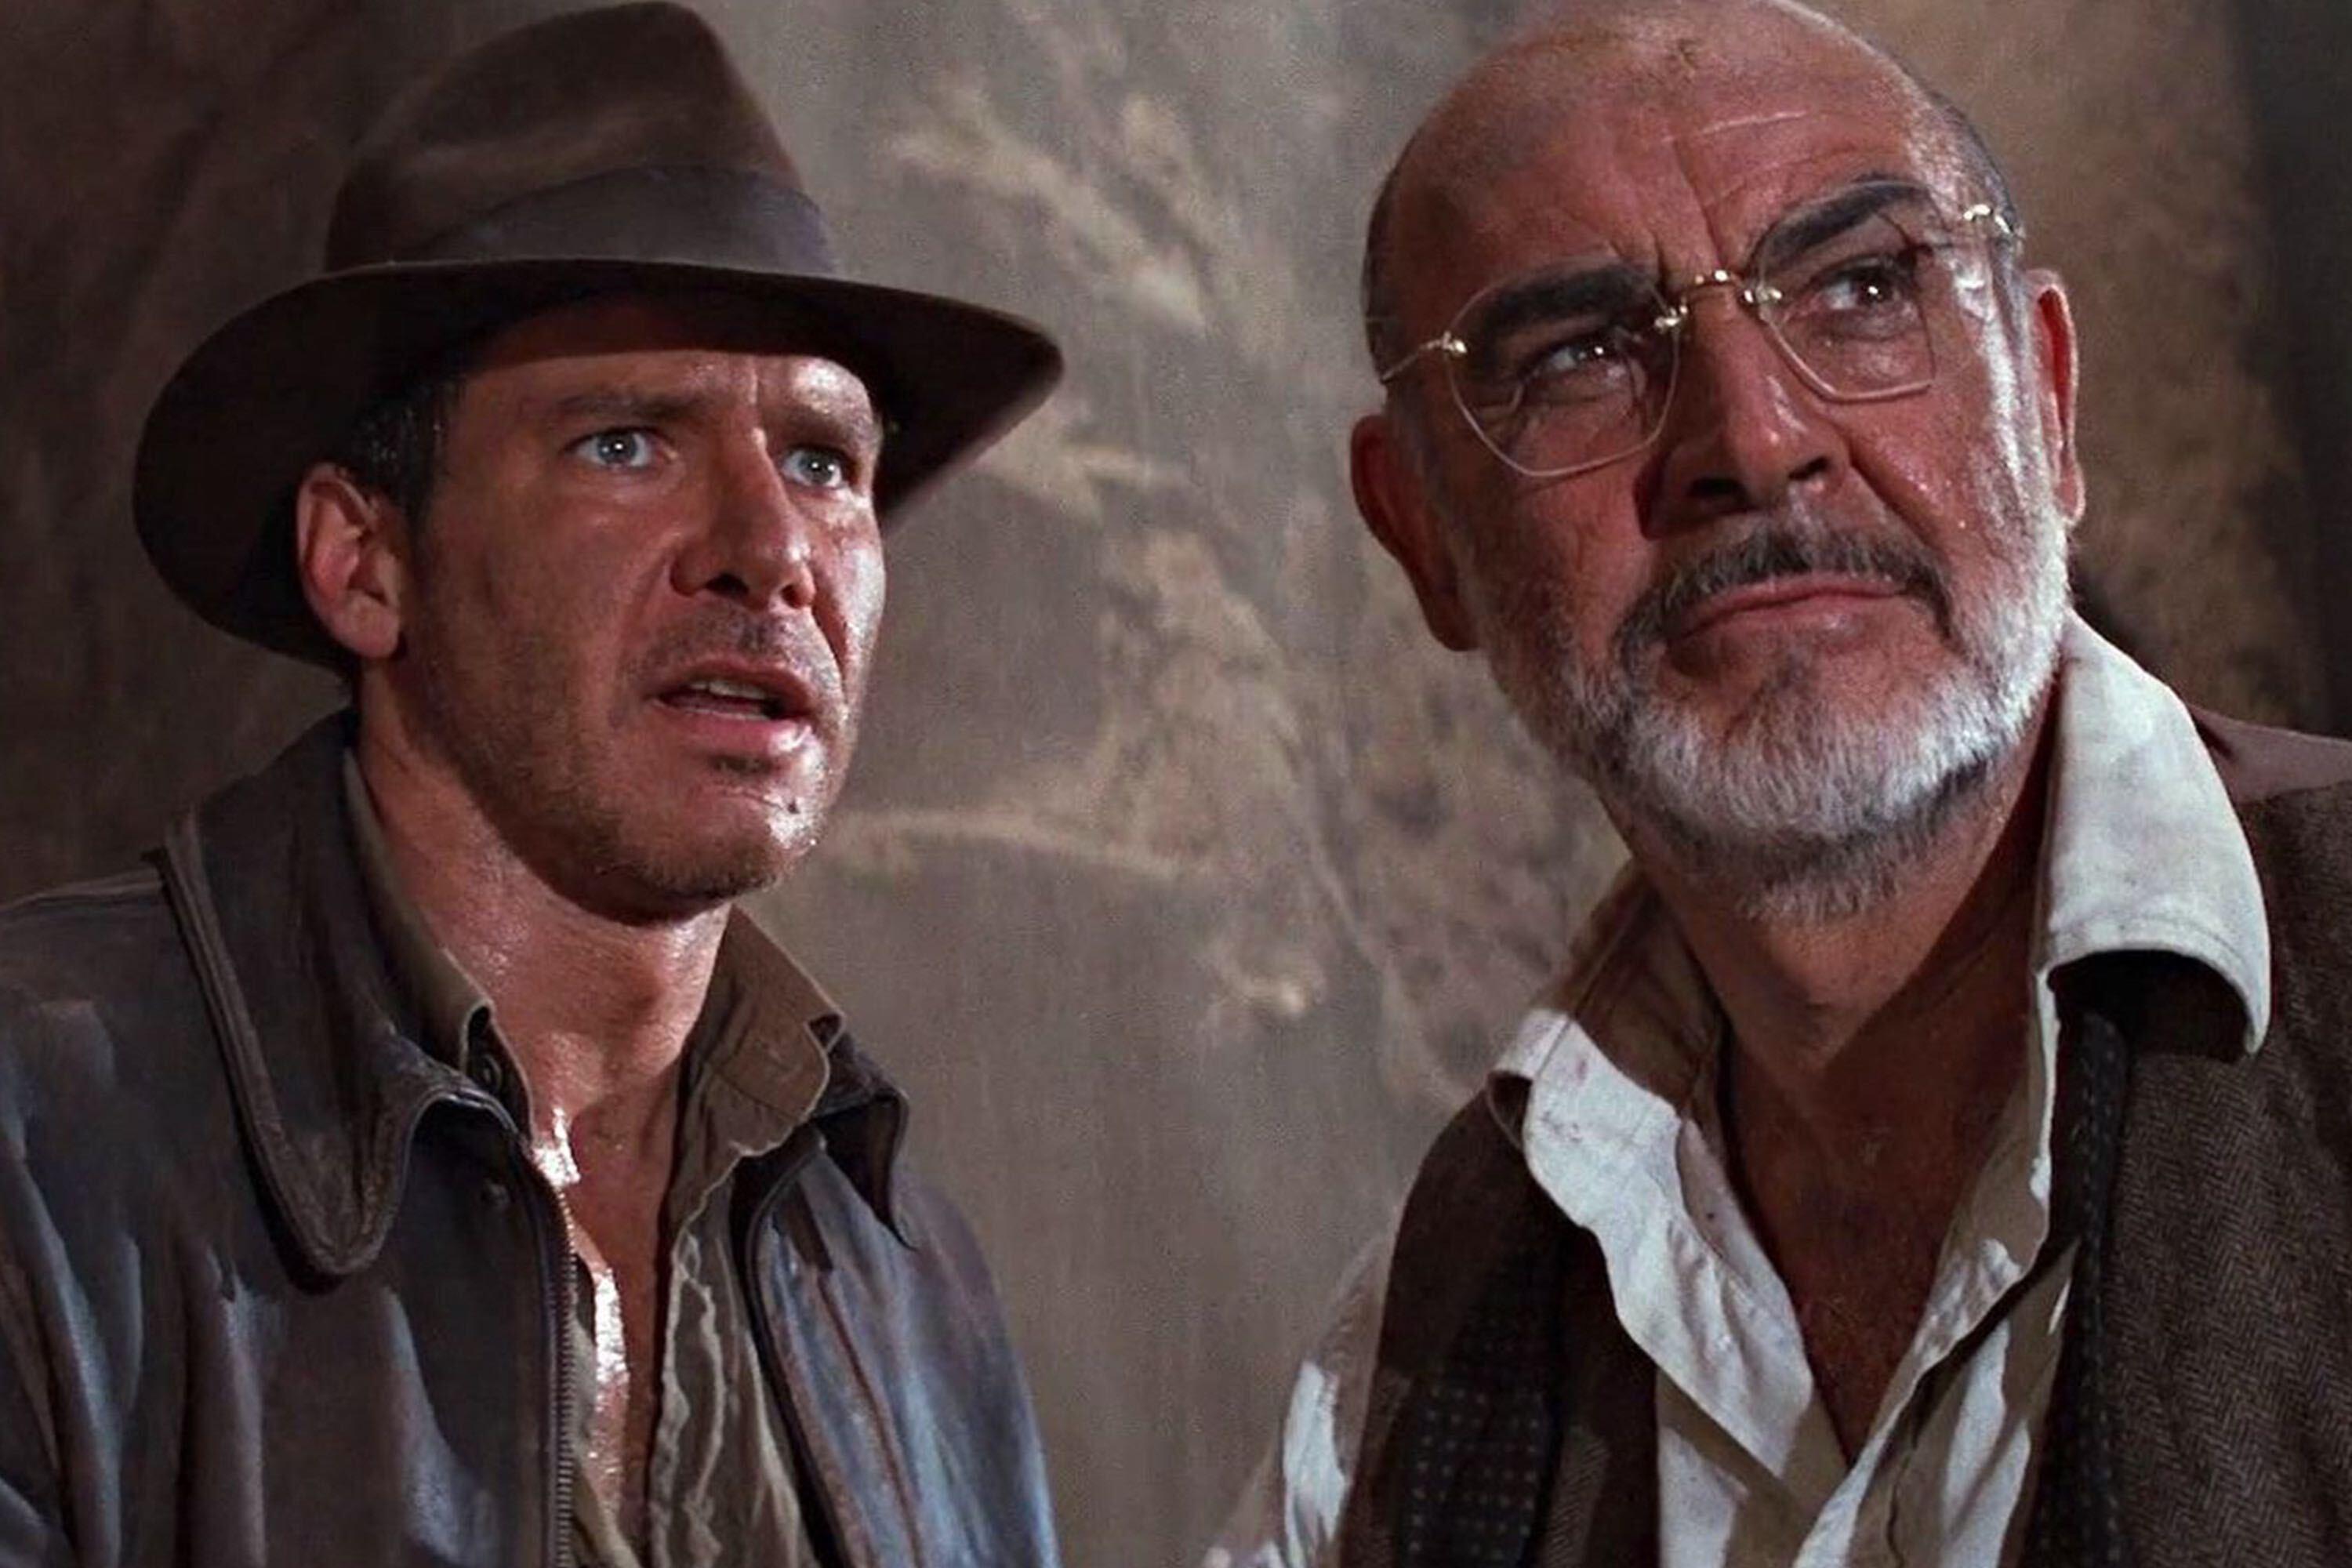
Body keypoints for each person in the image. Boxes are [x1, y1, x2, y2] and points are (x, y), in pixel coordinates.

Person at [1210, 1, 2352, 1563]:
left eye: (1863, 288)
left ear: (2047, 395)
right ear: (1423, 533)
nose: (1753, 438)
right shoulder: (1427, 1363)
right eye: (1582, 355)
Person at [0, 5, 1065, 1564]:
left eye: (824, 460)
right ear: (365, 562)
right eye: (626, 444)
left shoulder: (899, 1285)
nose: (770, 549)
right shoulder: (41, 1138)